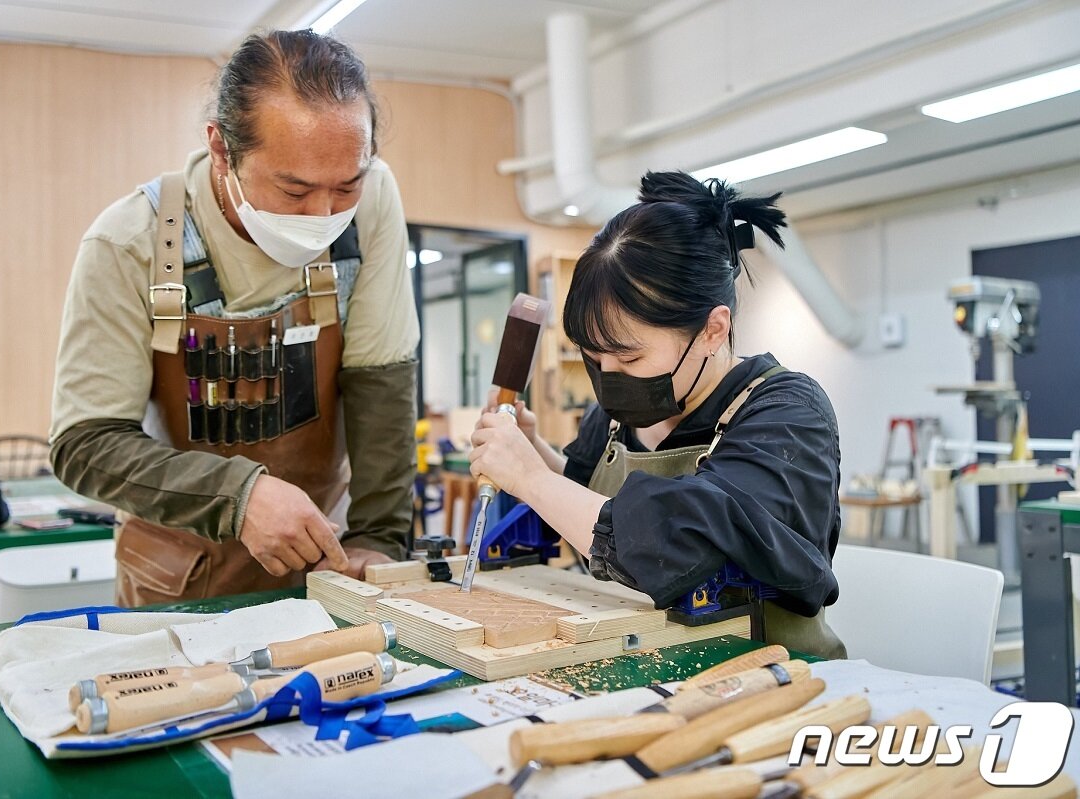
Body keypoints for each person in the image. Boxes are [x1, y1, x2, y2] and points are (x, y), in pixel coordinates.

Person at [49, 30, 419, 605]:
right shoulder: (129, 243)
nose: (323, 214)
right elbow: (85, 445)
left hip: (322, 568)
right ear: (222, 150)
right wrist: (239, 496)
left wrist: (380, 536)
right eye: (294, 190)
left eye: (345, 186)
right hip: (178, 581)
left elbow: (382, 381)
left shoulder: (373, 201)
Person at [470, 170, 846, 658]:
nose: (608, 377)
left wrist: (531, 479)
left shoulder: (788, 415)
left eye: (628, 359)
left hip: (770, 679)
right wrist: (533, 456)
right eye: (593, 357)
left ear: (713, 330)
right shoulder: (616, 414)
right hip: (640, 663)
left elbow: (679, 541)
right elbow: (588, 509)